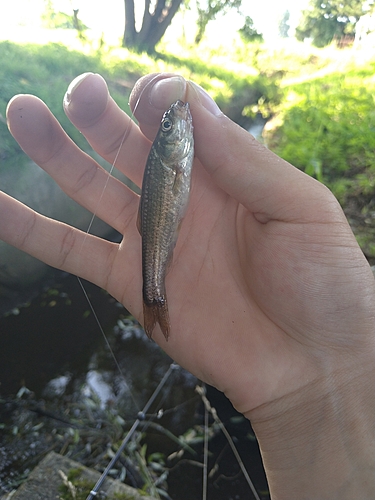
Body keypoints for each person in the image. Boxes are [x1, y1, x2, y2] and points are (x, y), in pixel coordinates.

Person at [2, 73, 375, 499]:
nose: (177, 119)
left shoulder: (179, 148)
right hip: (162, 237)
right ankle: (154, 295)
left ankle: (154, 297)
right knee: (153, 271)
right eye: (168, 127)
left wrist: (349, 367)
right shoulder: (173, 151)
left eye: (170, 126)